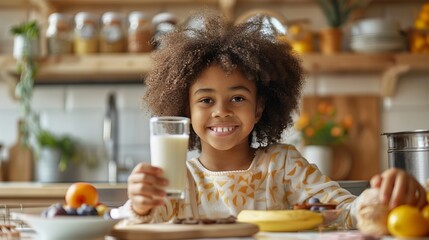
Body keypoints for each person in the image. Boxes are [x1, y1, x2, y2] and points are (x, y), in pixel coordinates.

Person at [119, 12, 427, 227]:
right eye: (206, 100)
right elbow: (128, 224)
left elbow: (345, 211)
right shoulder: (176, 178)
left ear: (259, 108)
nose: (221, 110)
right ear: (186, 110)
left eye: (237, 98)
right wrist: (140, 204)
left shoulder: (282, 166)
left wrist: (384, 195)